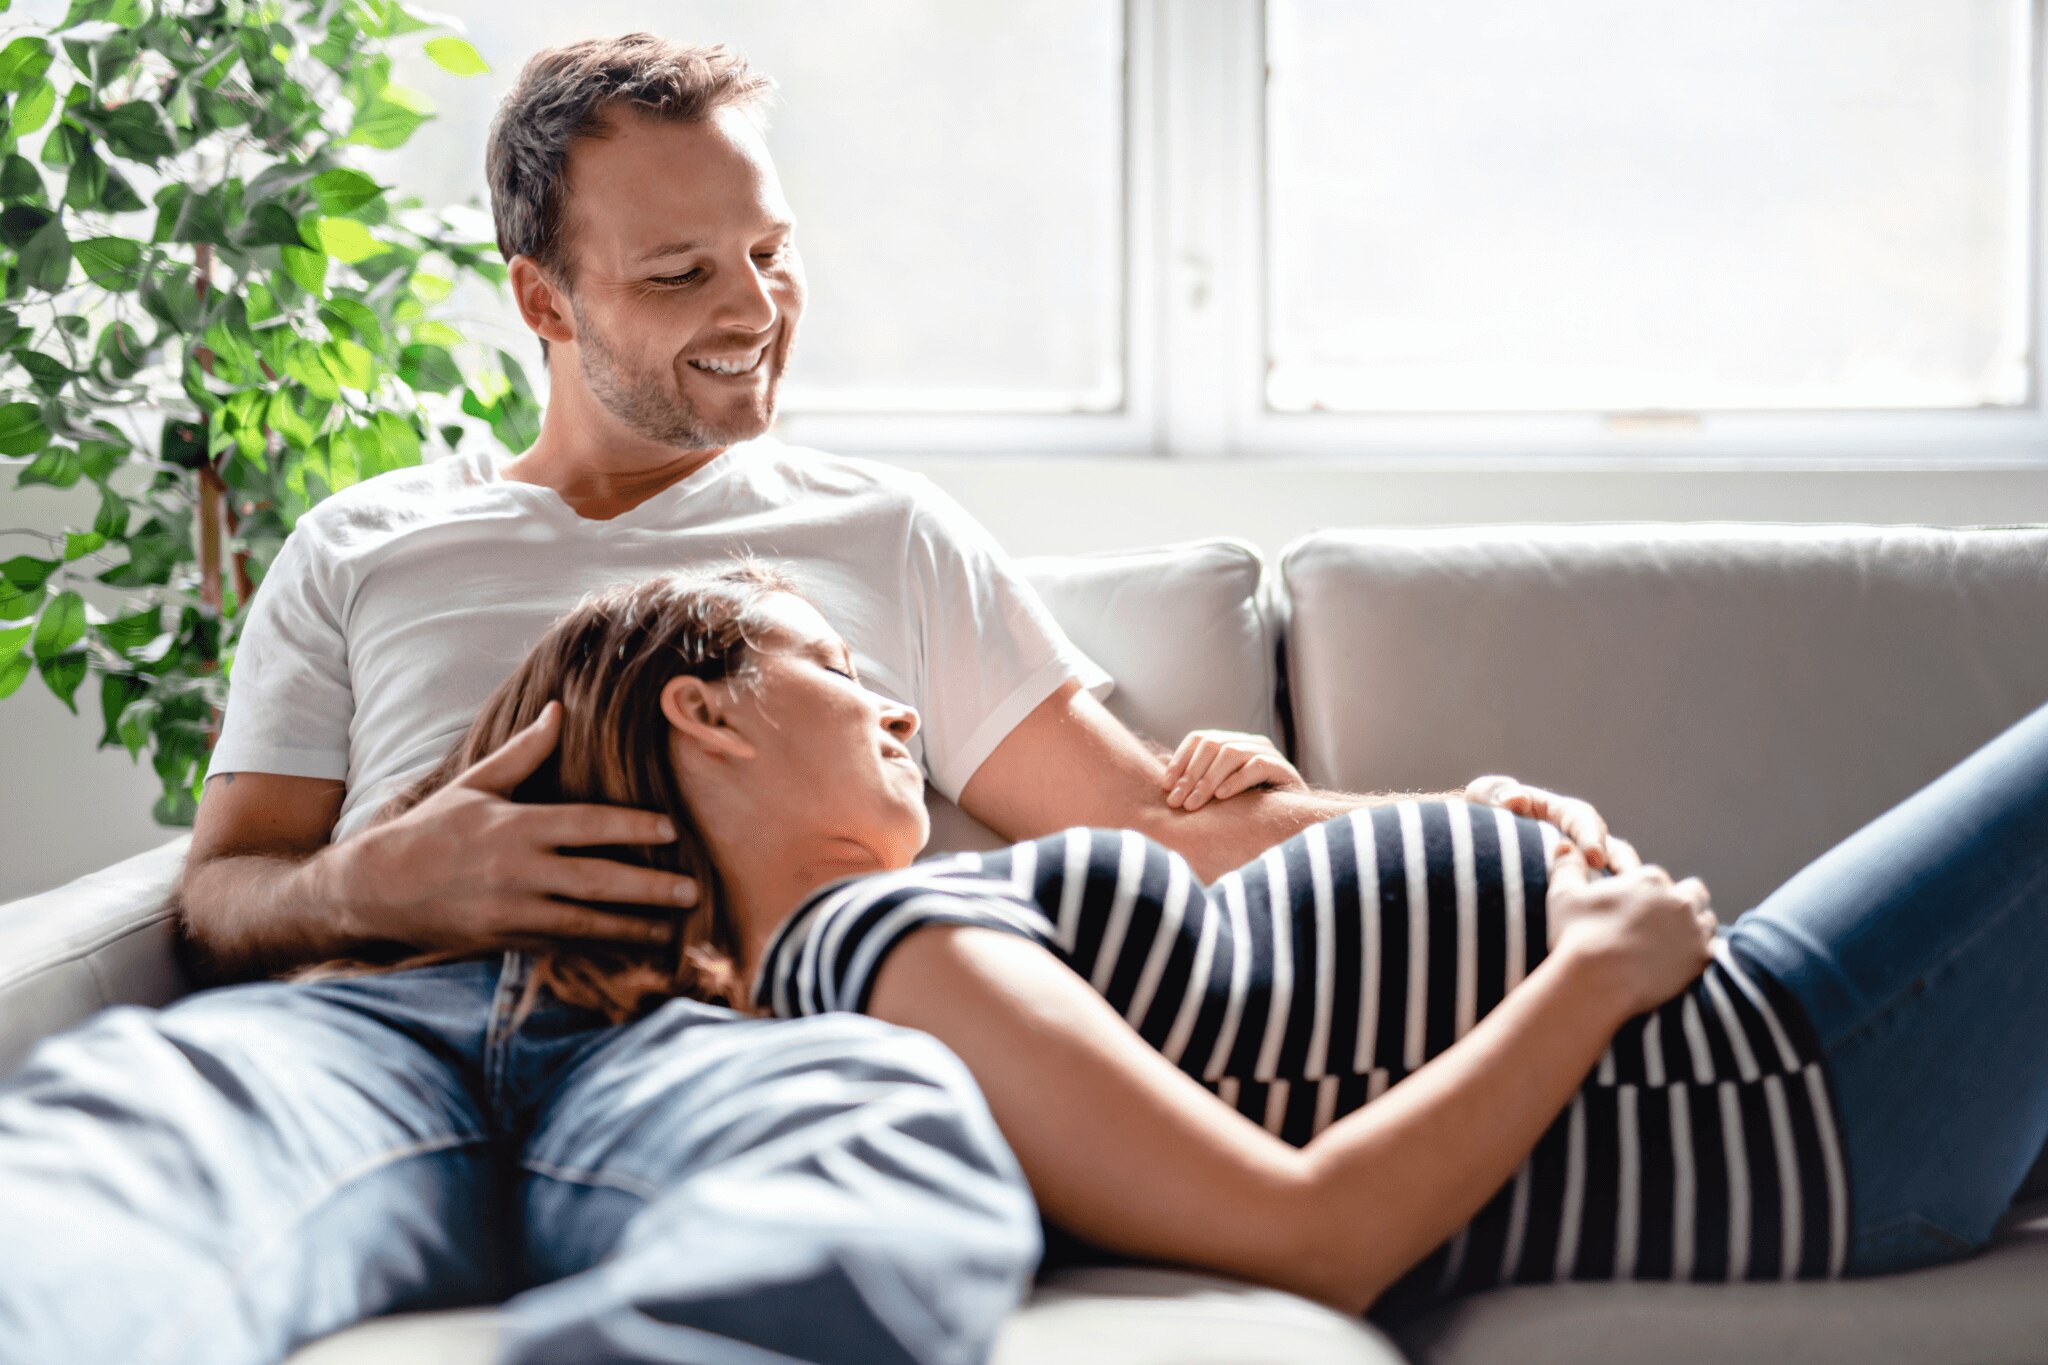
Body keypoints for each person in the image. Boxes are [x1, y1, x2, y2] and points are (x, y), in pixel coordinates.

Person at [0, 34, 1620, 1365]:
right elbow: (218, 893)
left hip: (725, 1028)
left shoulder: (884, 531)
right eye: (685, 270)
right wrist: (374, 879)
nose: (755, 312)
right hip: (375, 1022)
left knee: (882, 1186)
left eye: (773, 255)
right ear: (544, 303)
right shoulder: (369, 542)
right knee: (101, 1167)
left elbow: (1141, 817)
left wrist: (1464, 820)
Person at [365, 563, 2048, 1329]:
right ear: (703, 713)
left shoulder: (893, 930)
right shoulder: (875, 947)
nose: (893, 704)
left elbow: (1283, 1009)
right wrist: (1587, 968)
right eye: (831, 667)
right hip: (1782, 1081)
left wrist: (1479, 837)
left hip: (1768, 1042)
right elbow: (1305, 1235)